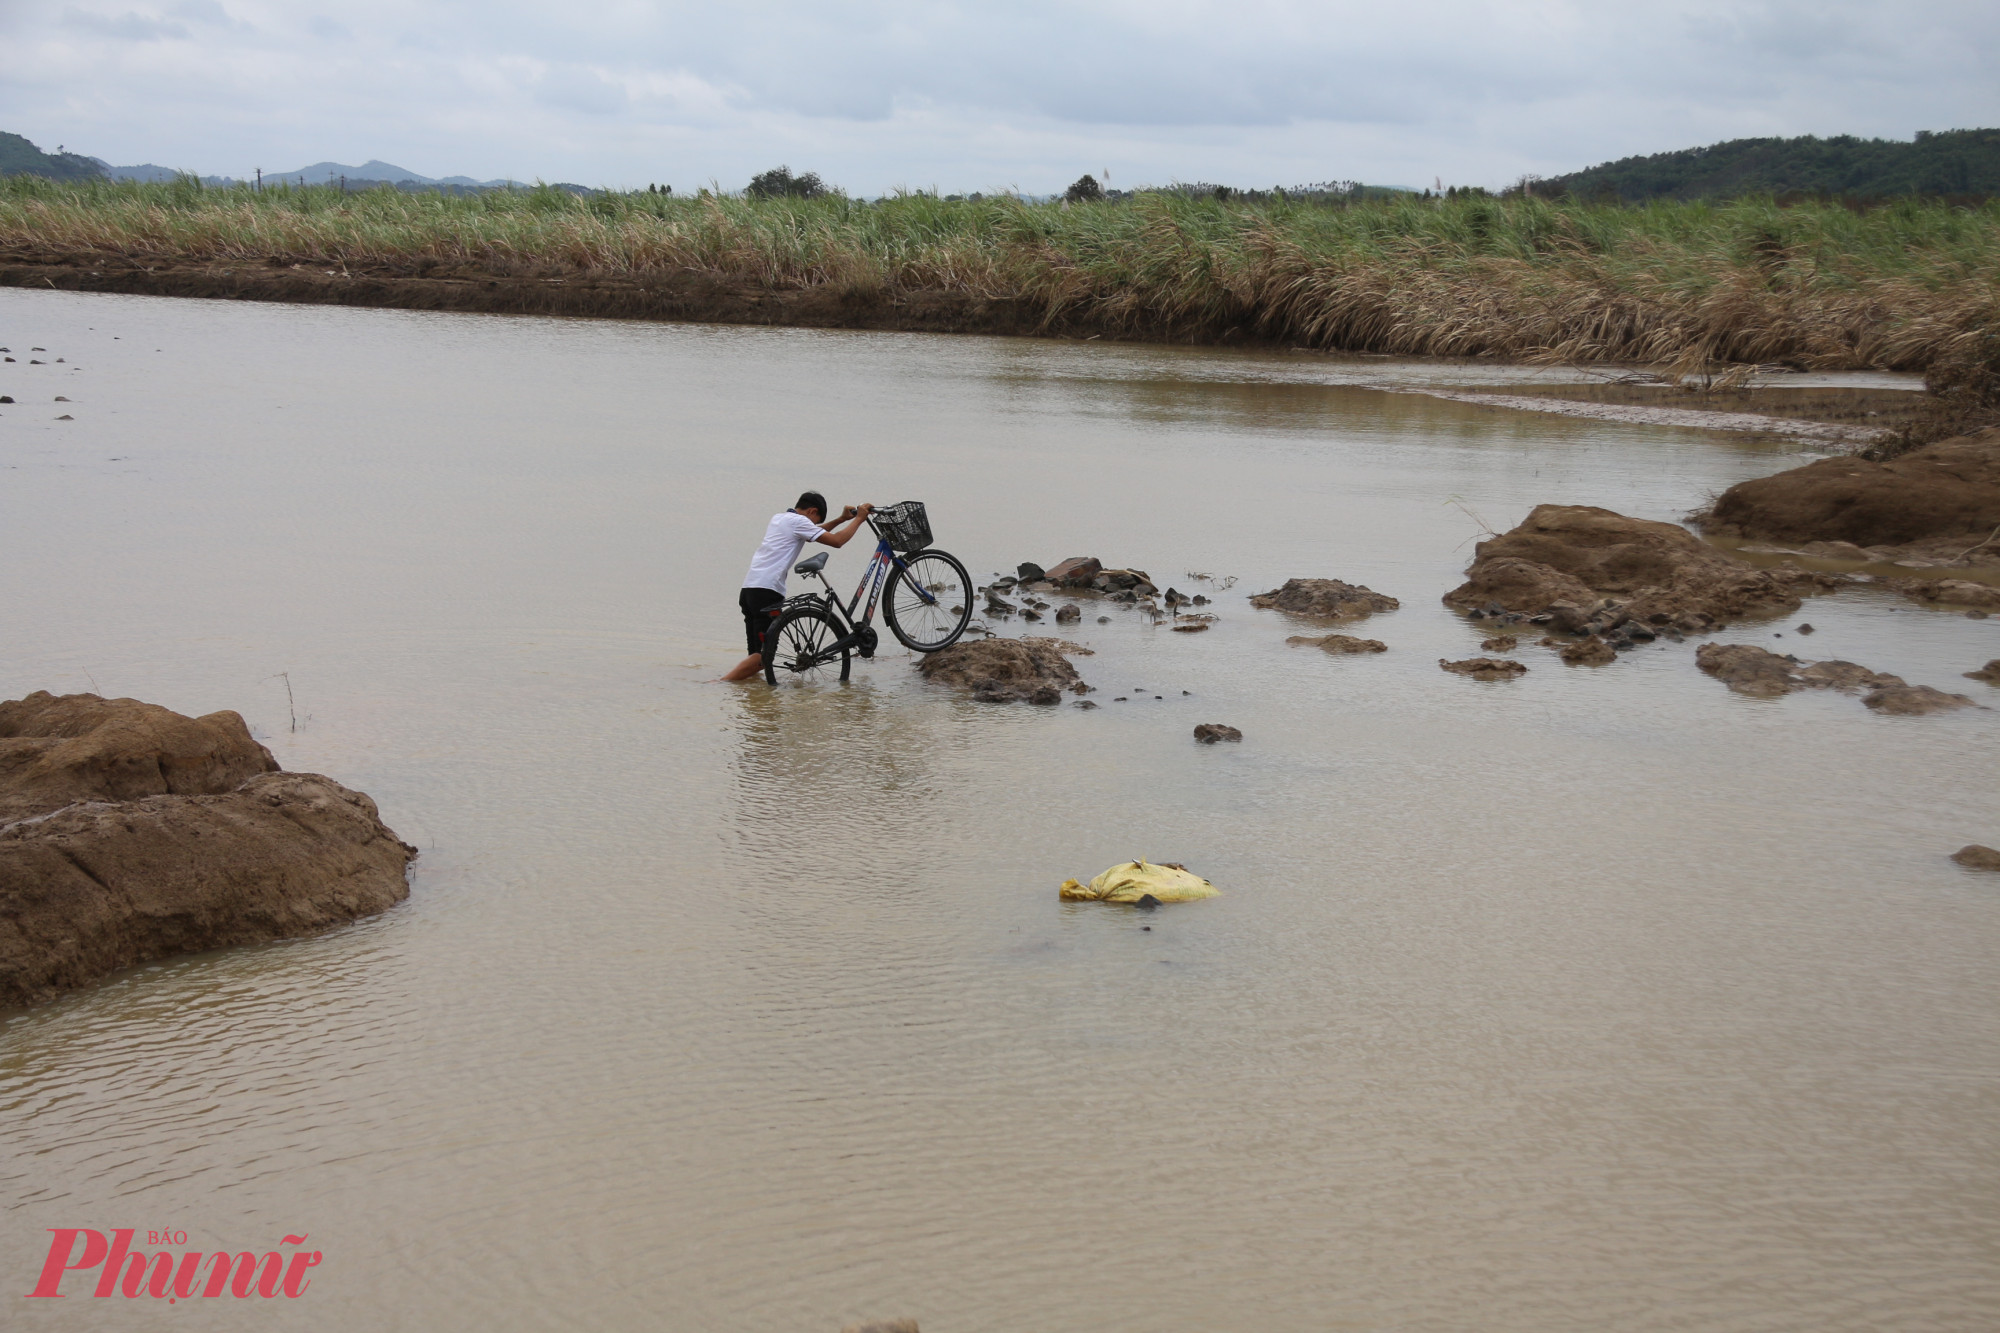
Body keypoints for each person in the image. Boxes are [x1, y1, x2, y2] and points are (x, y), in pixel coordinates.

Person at [720, 492, 874, 681]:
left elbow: (812, 533)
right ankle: (719, 684)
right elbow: (837, 541)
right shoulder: (799, 522)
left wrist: (841, 519)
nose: (813, 525)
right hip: (767, 591)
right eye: (815, 520)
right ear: (812, 511)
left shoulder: (780, 518)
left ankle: (745, 689)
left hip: (750, 590)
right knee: (762, 659)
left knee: (756, 654)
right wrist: (859, 519)